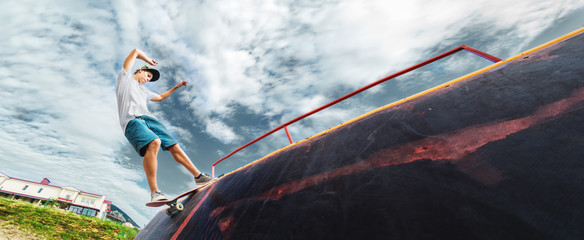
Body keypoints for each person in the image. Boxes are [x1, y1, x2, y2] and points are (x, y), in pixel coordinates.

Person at [115, 48, 215, 202]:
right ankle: (155, 192)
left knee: (174, 145)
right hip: (132, 120)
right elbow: (135, 51)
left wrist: (177, 86)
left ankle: (199, 176)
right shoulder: (124, 80)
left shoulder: (144, 91)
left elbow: (161, 97)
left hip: (150, 119)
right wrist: (148, 61)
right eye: (147, 75)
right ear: (140, 71)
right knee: (154, 142)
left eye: (150, 78)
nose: (147, 79)